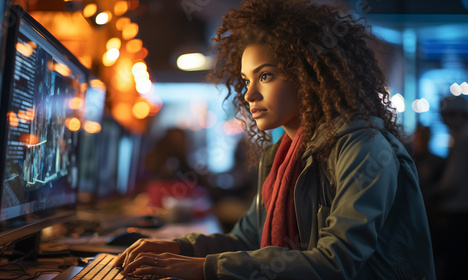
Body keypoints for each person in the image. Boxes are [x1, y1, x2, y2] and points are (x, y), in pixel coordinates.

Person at [113, 0, 435, 279]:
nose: (250, 93)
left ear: (308, 74)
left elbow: (337, 262)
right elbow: (248, 238)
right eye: (245, 80)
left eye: (265, 76)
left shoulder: (363, 148)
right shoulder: (279, 157)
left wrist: (202, 268)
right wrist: (178, 247)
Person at [432, 95, 468, 279]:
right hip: (459, 210)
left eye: (450, 116)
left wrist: (431, 192)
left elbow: (452, 182)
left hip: (457, 212)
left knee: (453, 265)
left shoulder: (463, 138)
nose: (448, 121)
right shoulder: (459, 137)